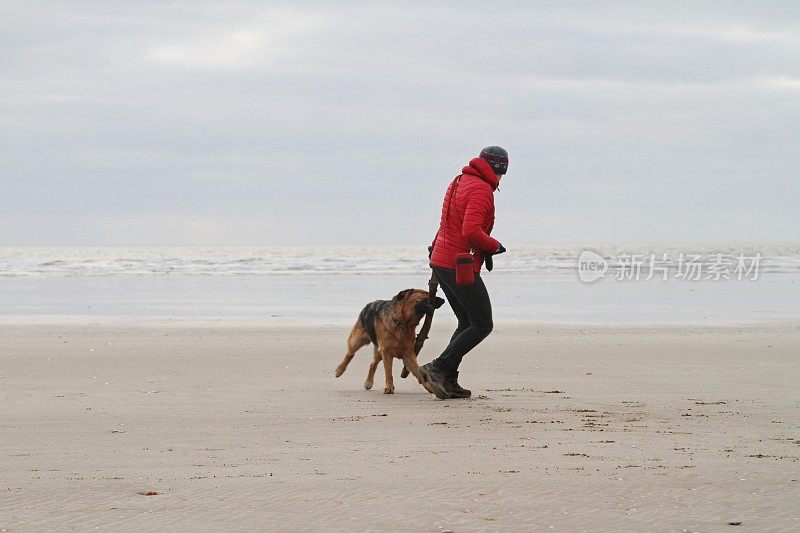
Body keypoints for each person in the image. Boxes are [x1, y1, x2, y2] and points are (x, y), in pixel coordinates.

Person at [420, 146, 508, 399]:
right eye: (503, 172)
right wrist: (495, 246)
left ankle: (448, 380)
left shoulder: (459, 180)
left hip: (442, 258)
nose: (502, 178)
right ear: (498, 168)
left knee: (467, 322)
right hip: (458, 264)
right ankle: (437, 368)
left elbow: (447, 224)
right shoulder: (481, 190)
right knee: (482, 324)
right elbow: (470, 232)